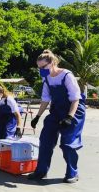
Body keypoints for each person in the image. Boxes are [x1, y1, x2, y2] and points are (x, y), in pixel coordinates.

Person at [28, 50, 86, 183]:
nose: (41, 70)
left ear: (52, 63)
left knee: (67, 144)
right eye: (39, 68)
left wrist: (69, 117)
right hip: (56, 110)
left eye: (43, 67)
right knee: (45, 139)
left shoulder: (67, 75)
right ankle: (41, 172)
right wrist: (37, 116)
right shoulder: (46, 78)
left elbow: (75, 98)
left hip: (74, 110)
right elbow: (45, 99)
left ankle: (72, 173)